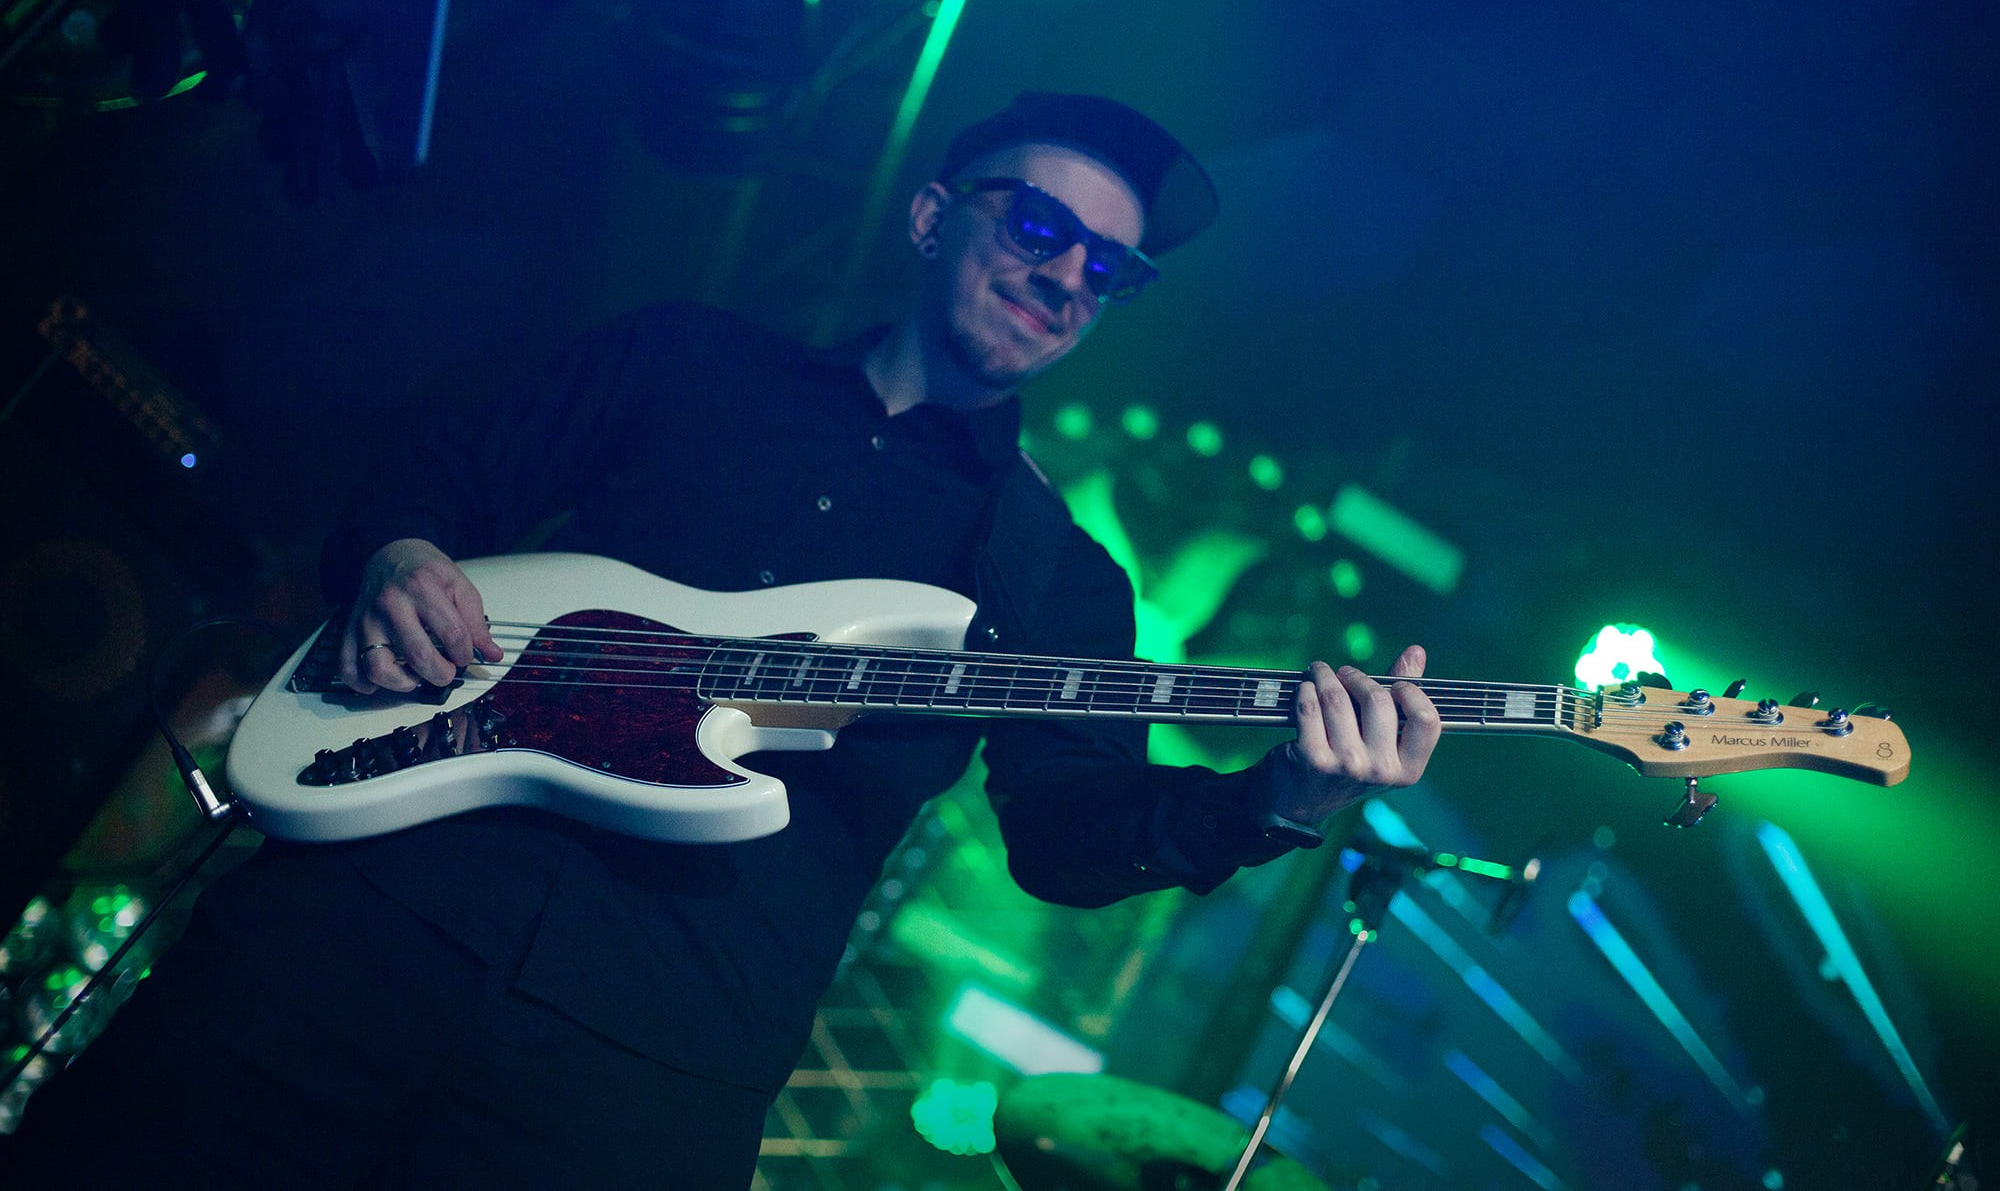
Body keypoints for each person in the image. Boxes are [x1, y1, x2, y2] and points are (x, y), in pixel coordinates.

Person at [2, 93, 1440, 1187]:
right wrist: (396, 559)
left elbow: (1069, 840)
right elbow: (429, 479)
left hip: (644, 1065)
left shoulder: (1058, 581)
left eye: (1109, 272)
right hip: (358, 929)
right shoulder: (683, 358)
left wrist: (1282, 800)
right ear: (937, 215)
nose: (1071, 279)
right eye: (1042, 229)